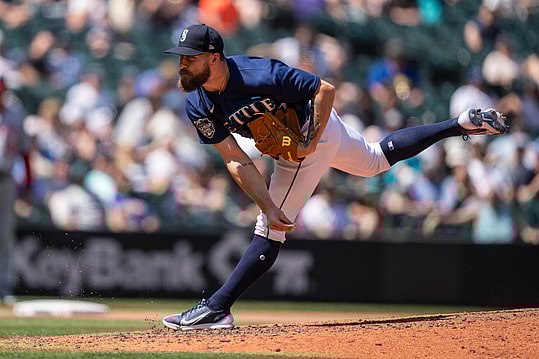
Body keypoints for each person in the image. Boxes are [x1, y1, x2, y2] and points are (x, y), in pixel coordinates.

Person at [161, 24, 508, 330]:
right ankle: (458, 123)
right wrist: (266, 202)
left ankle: (218, 309)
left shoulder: (259, 73)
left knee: (270, 231)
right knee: (374, 160)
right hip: (308, 140)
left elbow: (323, 90)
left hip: (308, 138)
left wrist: (309, 141)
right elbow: (234, 158)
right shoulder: (197, 103)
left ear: (214, 58)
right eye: (181, 57)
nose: (183, 63)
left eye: (190, 57)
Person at [0, 77, 32, 305]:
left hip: (6, 178)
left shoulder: (14, 114)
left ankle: (4, 286)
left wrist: (28, 183)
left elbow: (25, 152)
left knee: (5, 235)